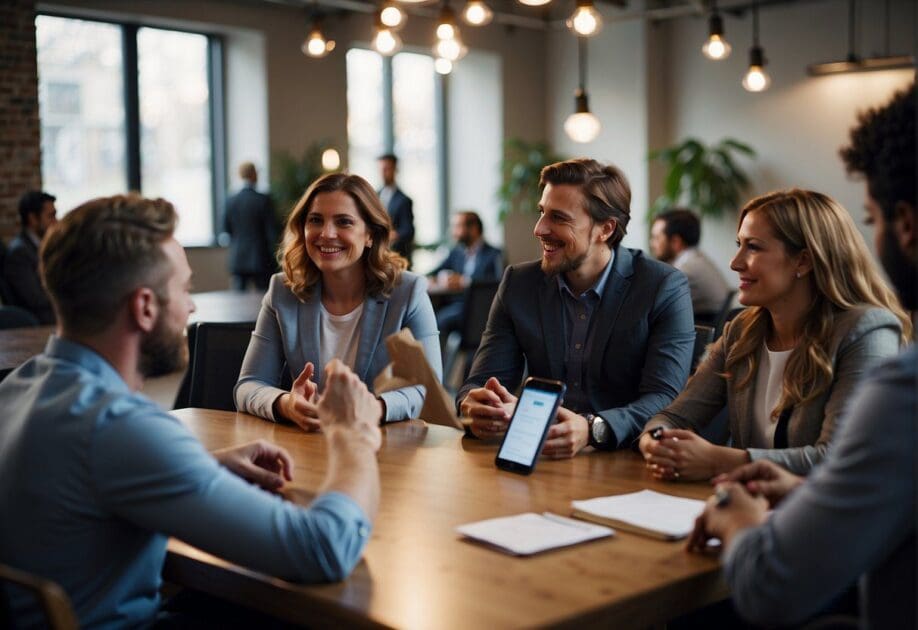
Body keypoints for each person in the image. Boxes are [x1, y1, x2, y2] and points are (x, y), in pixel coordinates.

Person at [0, 194, 382, 628]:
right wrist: (353, 436)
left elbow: (83, 478)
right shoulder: (118, 426)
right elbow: (323, 550)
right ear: (144, 307)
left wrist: (198, 465)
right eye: (183, 288)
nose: (192, 306)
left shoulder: (20, 386)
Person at [687, 83, 916, 629]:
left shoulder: (896, 377)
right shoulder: (744, 327)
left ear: (905, 223)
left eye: (874, 218)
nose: (737, 260)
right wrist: (796, 488)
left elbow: (771, 587)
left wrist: (737, 517)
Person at [640, 189, 908, 481]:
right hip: (745, 507)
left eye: (753, 247)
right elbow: (674, 417)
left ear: (803, 261)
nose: (735, 262)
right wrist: (656, 441)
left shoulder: (867, 331)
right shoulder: (741, 331)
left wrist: (722, 461)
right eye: (739, 244)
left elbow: (842, 458)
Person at [457, 158, 695, 458]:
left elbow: (664, 399)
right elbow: (482, 381)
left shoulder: (662, 286)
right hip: (539, 458)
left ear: (605, 229)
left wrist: (594, 428)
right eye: (542, 212)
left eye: (558, 217)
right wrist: (473, 404)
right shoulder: (519, 283)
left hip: (624, 461)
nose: (539, 229)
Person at [235, 172, 441, 430]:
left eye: (344, 222)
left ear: (370, 235)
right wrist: (286, 403)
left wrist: (374, 408)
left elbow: (427, 389)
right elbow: (249, 385)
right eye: (315, 220)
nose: (326, 233)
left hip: (383, 449)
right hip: (307, 447)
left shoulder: (407, 292)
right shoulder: (282, 291)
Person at [429, 210, 504, 339]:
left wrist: (465, 281)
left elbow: (497, 283)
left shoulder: (494, 255)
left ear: (474, 229)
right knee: (429, 316)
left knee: (440, 321)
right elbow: (436, 271)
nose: (454, 232)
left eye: (458, 226)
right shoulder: (457, 252)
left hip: (480, 310)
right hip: (456, 305)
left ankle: (440, 359)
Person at [649, 208, 731, 322]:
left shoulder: (686, 269)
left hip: (702, 334)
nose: (652, 244)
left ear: (675, 242)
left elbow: (651, 306)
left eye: (657, 238)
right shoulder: (696, 260)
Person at [3, 190, 57, 323]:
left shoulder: (44, 245)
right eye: (51, 216)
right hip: (39, 323)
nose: (56, 221)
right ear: (33, 219)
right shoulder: (19, 253)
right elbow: (36, 299)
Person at [223, 161, 278, 291]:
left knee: (237, 300)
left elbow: (226, 228)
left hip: (238, 257)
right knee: (265, 298)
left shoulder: (231, 200)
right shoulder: (263, 200)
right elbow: (271, 232)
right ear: (254, 174)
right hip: (260, 257)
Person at [377, 153, 415, 264]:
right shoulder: (374, 195)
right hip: (377, 254)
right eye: (381, 170)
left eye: (386, 169)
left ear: (395, 170)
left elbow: (409, 230)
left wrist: (393, 234)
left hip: (396, 255)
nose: (383, 173)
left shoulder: (404, 200)